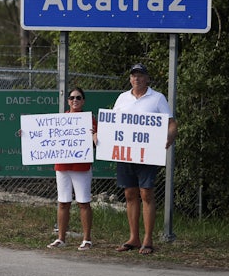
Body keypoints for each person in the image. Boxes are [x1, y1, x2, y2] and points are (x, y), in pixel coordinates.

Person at [113, 63, 178, 255]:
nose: (137, 79)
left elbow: (172, 124)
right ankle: (134, 238)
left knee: (146, 194)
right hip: (125, 154)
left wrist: (169, 138)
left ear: (147, 78)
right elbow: (113, 123)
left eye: (140, 75)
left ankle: (148, 240)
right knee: (129, 194)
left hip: (147, 154)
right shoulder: (122, 98)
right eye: (134, 75)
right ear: (130, 78)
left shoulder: (157, 98)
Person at [46, 87, 98, 251]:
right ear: (68, 101)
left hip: (81, 167)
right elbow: (45, 136)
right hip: (62, 166)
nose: (75, 100)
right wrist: (26, 134)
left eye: (78, 98)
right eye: (72, 98)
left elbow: (97, 142)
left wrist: (94, 135)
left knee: (83, 202)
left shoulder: (90, 120)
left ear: (83, 101)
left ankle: (87, 239)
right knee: (63, 202)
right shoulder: (60, 120)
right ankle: (61, 238)